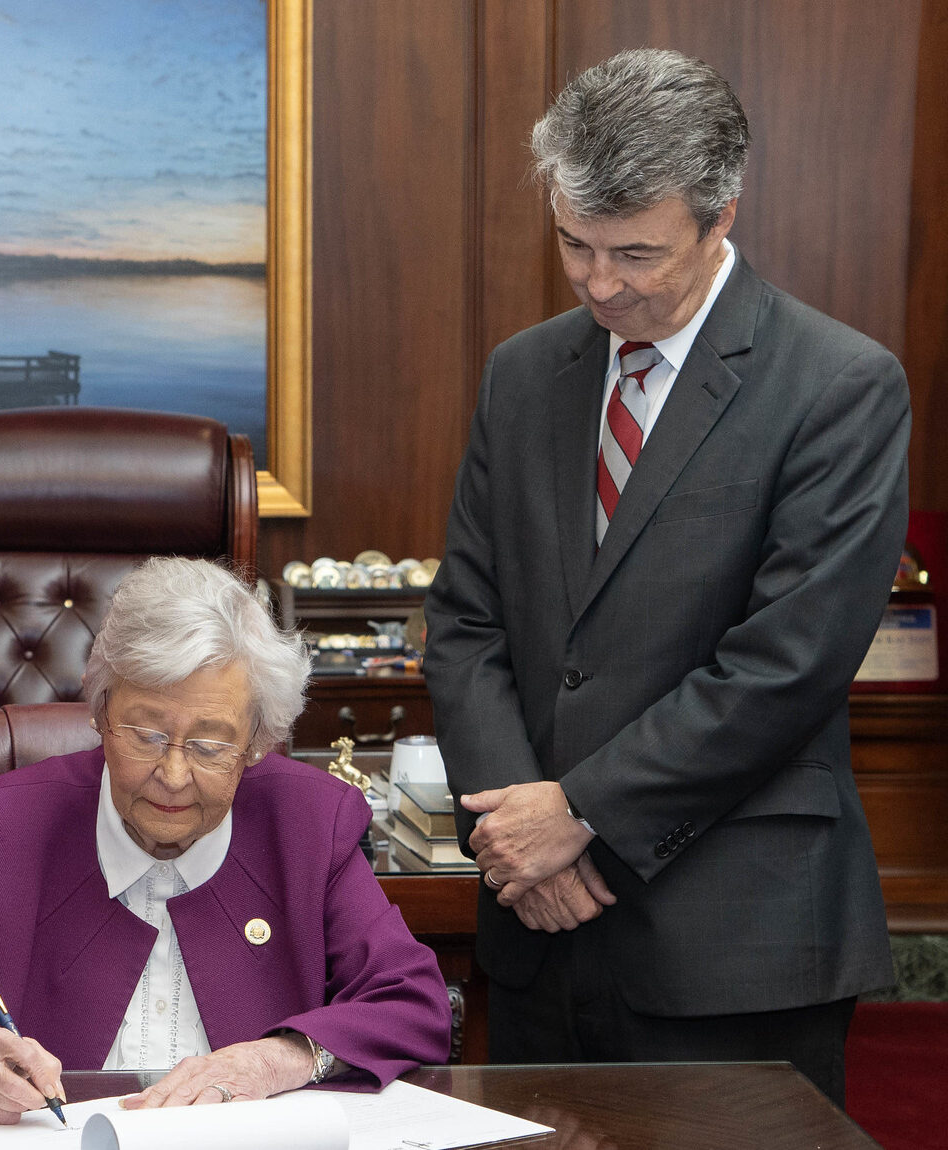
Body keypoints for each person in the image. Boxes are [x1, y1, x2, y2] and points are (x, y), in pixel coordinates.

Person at [423, 48, 904, 1105]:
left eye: (634, 252)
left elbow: (785, 665)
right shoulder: (521, 374)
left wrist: (579, 813)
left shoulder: (835, 385)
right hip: (536, 931)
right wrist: (516, 841)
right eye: (573, 245)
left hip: (732, 938)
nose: (598, 283)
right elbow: (464, 620)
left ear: (720, 211)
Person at [0, 558, 450, 1122]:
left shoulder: (310, 823)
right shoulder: (11, 825)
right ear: (100, 713)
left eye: (209, 745)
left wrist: (280, 1059)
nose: (173, 776)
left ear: (257, 741)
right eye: (146, 734)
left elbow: (413, 1002)